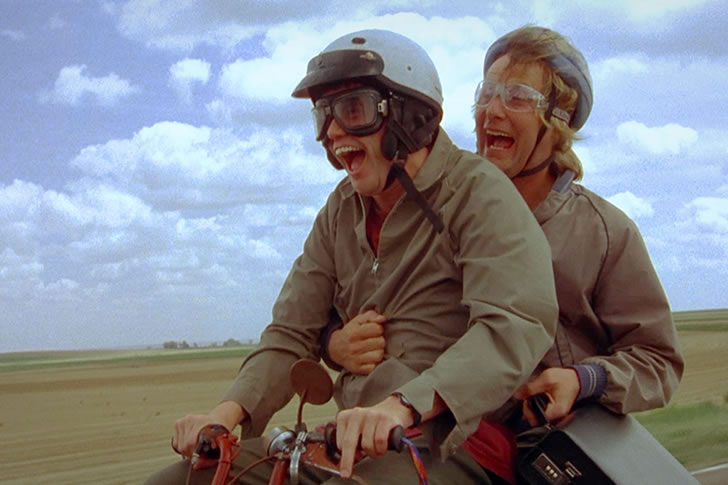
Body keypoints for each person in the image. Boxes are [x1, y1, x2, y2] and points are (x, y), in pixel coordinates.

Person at [144, 28, 558, 485]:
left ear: (410, 116)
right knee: (178, 481)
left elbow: (513, 325)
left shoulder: (479, 193)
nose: (333, 132)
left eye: (352, 110)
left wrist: (402, 406)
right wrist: (223, 414)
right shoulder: (340, 209)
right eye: (323, 115)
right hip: (351, 437)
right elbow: (291, 331)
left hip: (451, 443)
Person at [323, 25, 684, 484]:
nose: (491, 111)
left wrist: (584, 379)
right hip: (434, 438)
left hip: (538, 456)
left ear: (559, 120)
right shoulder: (434, 205)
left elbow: (658, 359)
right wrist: (333, 343)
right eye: (486, 94)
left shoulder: (603, 232)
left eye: (516, 98)